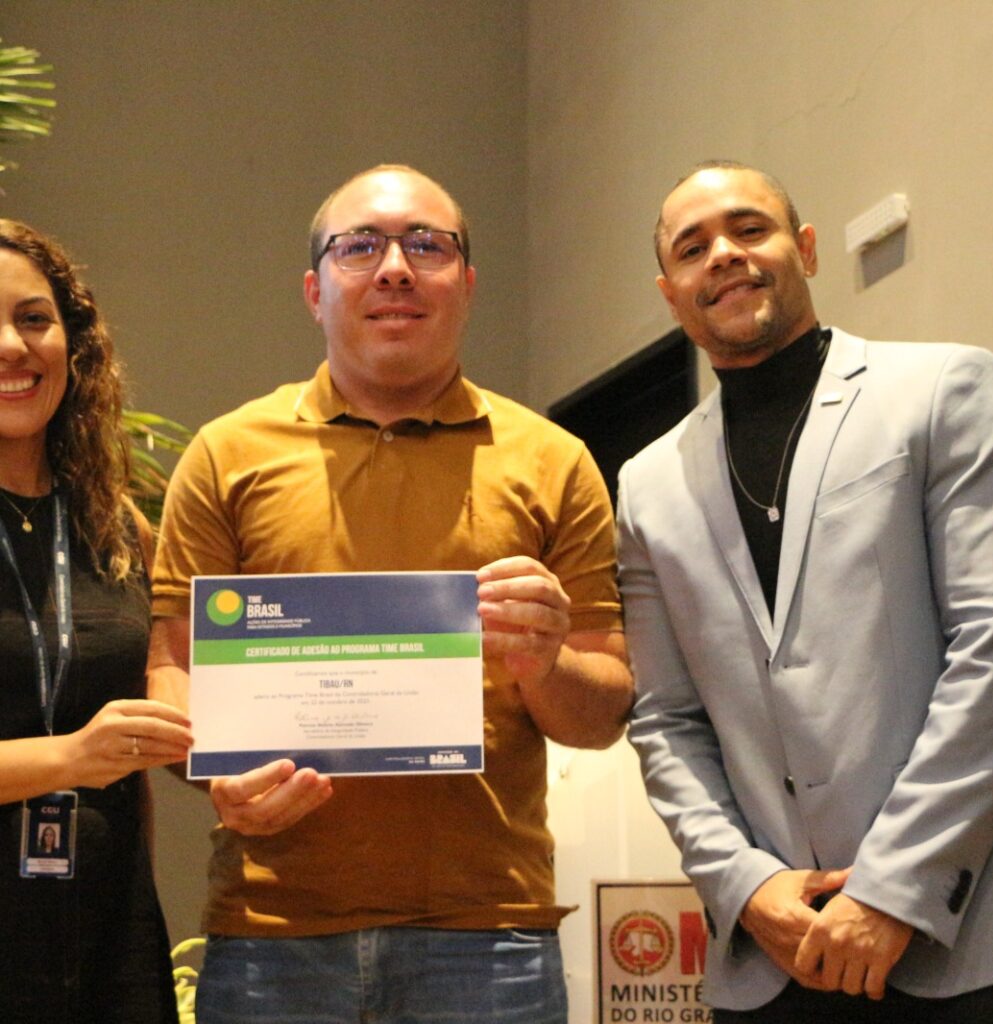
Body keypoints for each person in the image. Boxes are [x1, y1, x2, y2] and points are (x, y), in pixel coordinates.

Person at [147, 164, 632, 1023]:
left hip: (488, 938)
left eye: (428, 246)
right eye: (360, 246)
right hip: (272, 933)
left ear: (468, 285)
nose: (396, 268)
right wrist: (213, 771)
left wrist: (545, 660)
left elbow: (599, 718)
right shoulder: (226, 455)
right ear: (314, 290)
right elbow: (175, 671)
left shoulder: (555, 462)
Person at [618, 160, 993, 1022]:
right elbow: (664, 718)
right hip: (775, 957)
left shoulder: (945, 389)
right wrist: (743, 883)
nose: (723, 255)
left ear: (804, 248)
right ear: (671, 293)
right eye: (693, 248)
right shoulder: (646, 485)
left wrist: (892, 888)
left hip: (965, 945)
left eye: (749, 229)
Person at [0, 220, 194, 1022]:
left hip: (109, 937)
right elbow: (92, 751)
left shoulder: (118, 527)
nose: (11, 346)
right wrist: (72, 758)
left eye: (34, 319)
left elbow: (163, 685)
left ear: (74, 345)